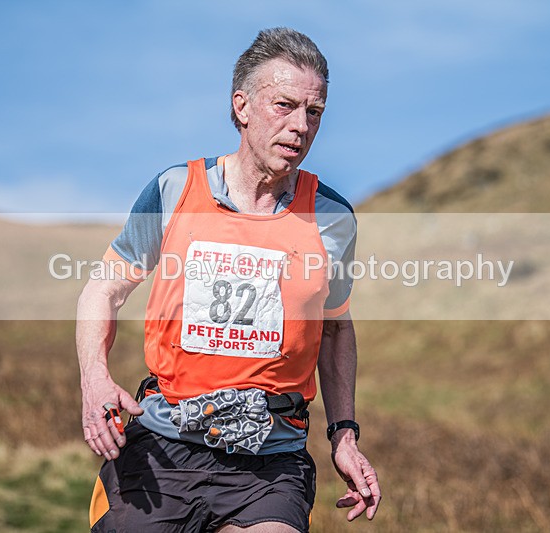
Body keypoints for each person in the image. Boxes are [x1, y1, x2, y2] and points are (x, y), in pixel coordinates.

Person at [77, 27, 381, 532]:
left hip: (270, 461)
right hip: (164, 446)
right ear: (241, 106)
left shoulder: (332, 217)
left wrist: (344, 436)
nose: (301, 125)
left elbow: (334, 328)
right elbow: (103, 287)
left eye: (314, 112)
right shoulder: (175, 190)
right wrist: (94, 379)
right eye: (284, 106)